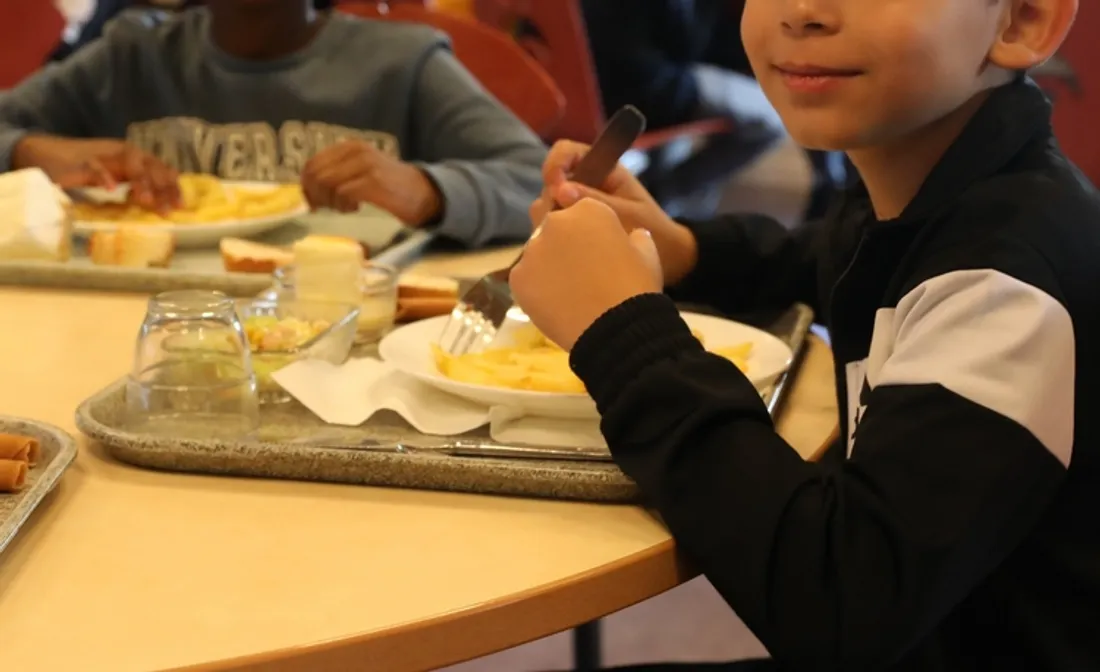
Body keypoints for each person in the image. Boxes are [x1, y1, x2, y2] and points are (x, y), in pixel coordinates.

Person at [515, 0, 1098, 669]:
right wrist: (683, 250)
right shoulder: (928, 187)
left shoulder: (1006, 283)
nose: (801, 11)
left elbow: (839, 606)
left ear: (1021, 21)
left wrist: (623, 332)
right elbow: (825, 257)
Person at [0, 0, 546, 248]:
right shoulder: (128, 56)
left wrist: (430, 190)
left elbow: (545, 183)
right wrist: (31, 150)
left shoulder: (402, 64)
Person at [581, 0, 843, 220]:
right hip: (652, 89)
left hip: (586, 84)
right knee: (770, 119)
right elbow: (688, 44)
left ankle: (657, 198)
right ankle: (660, 197)